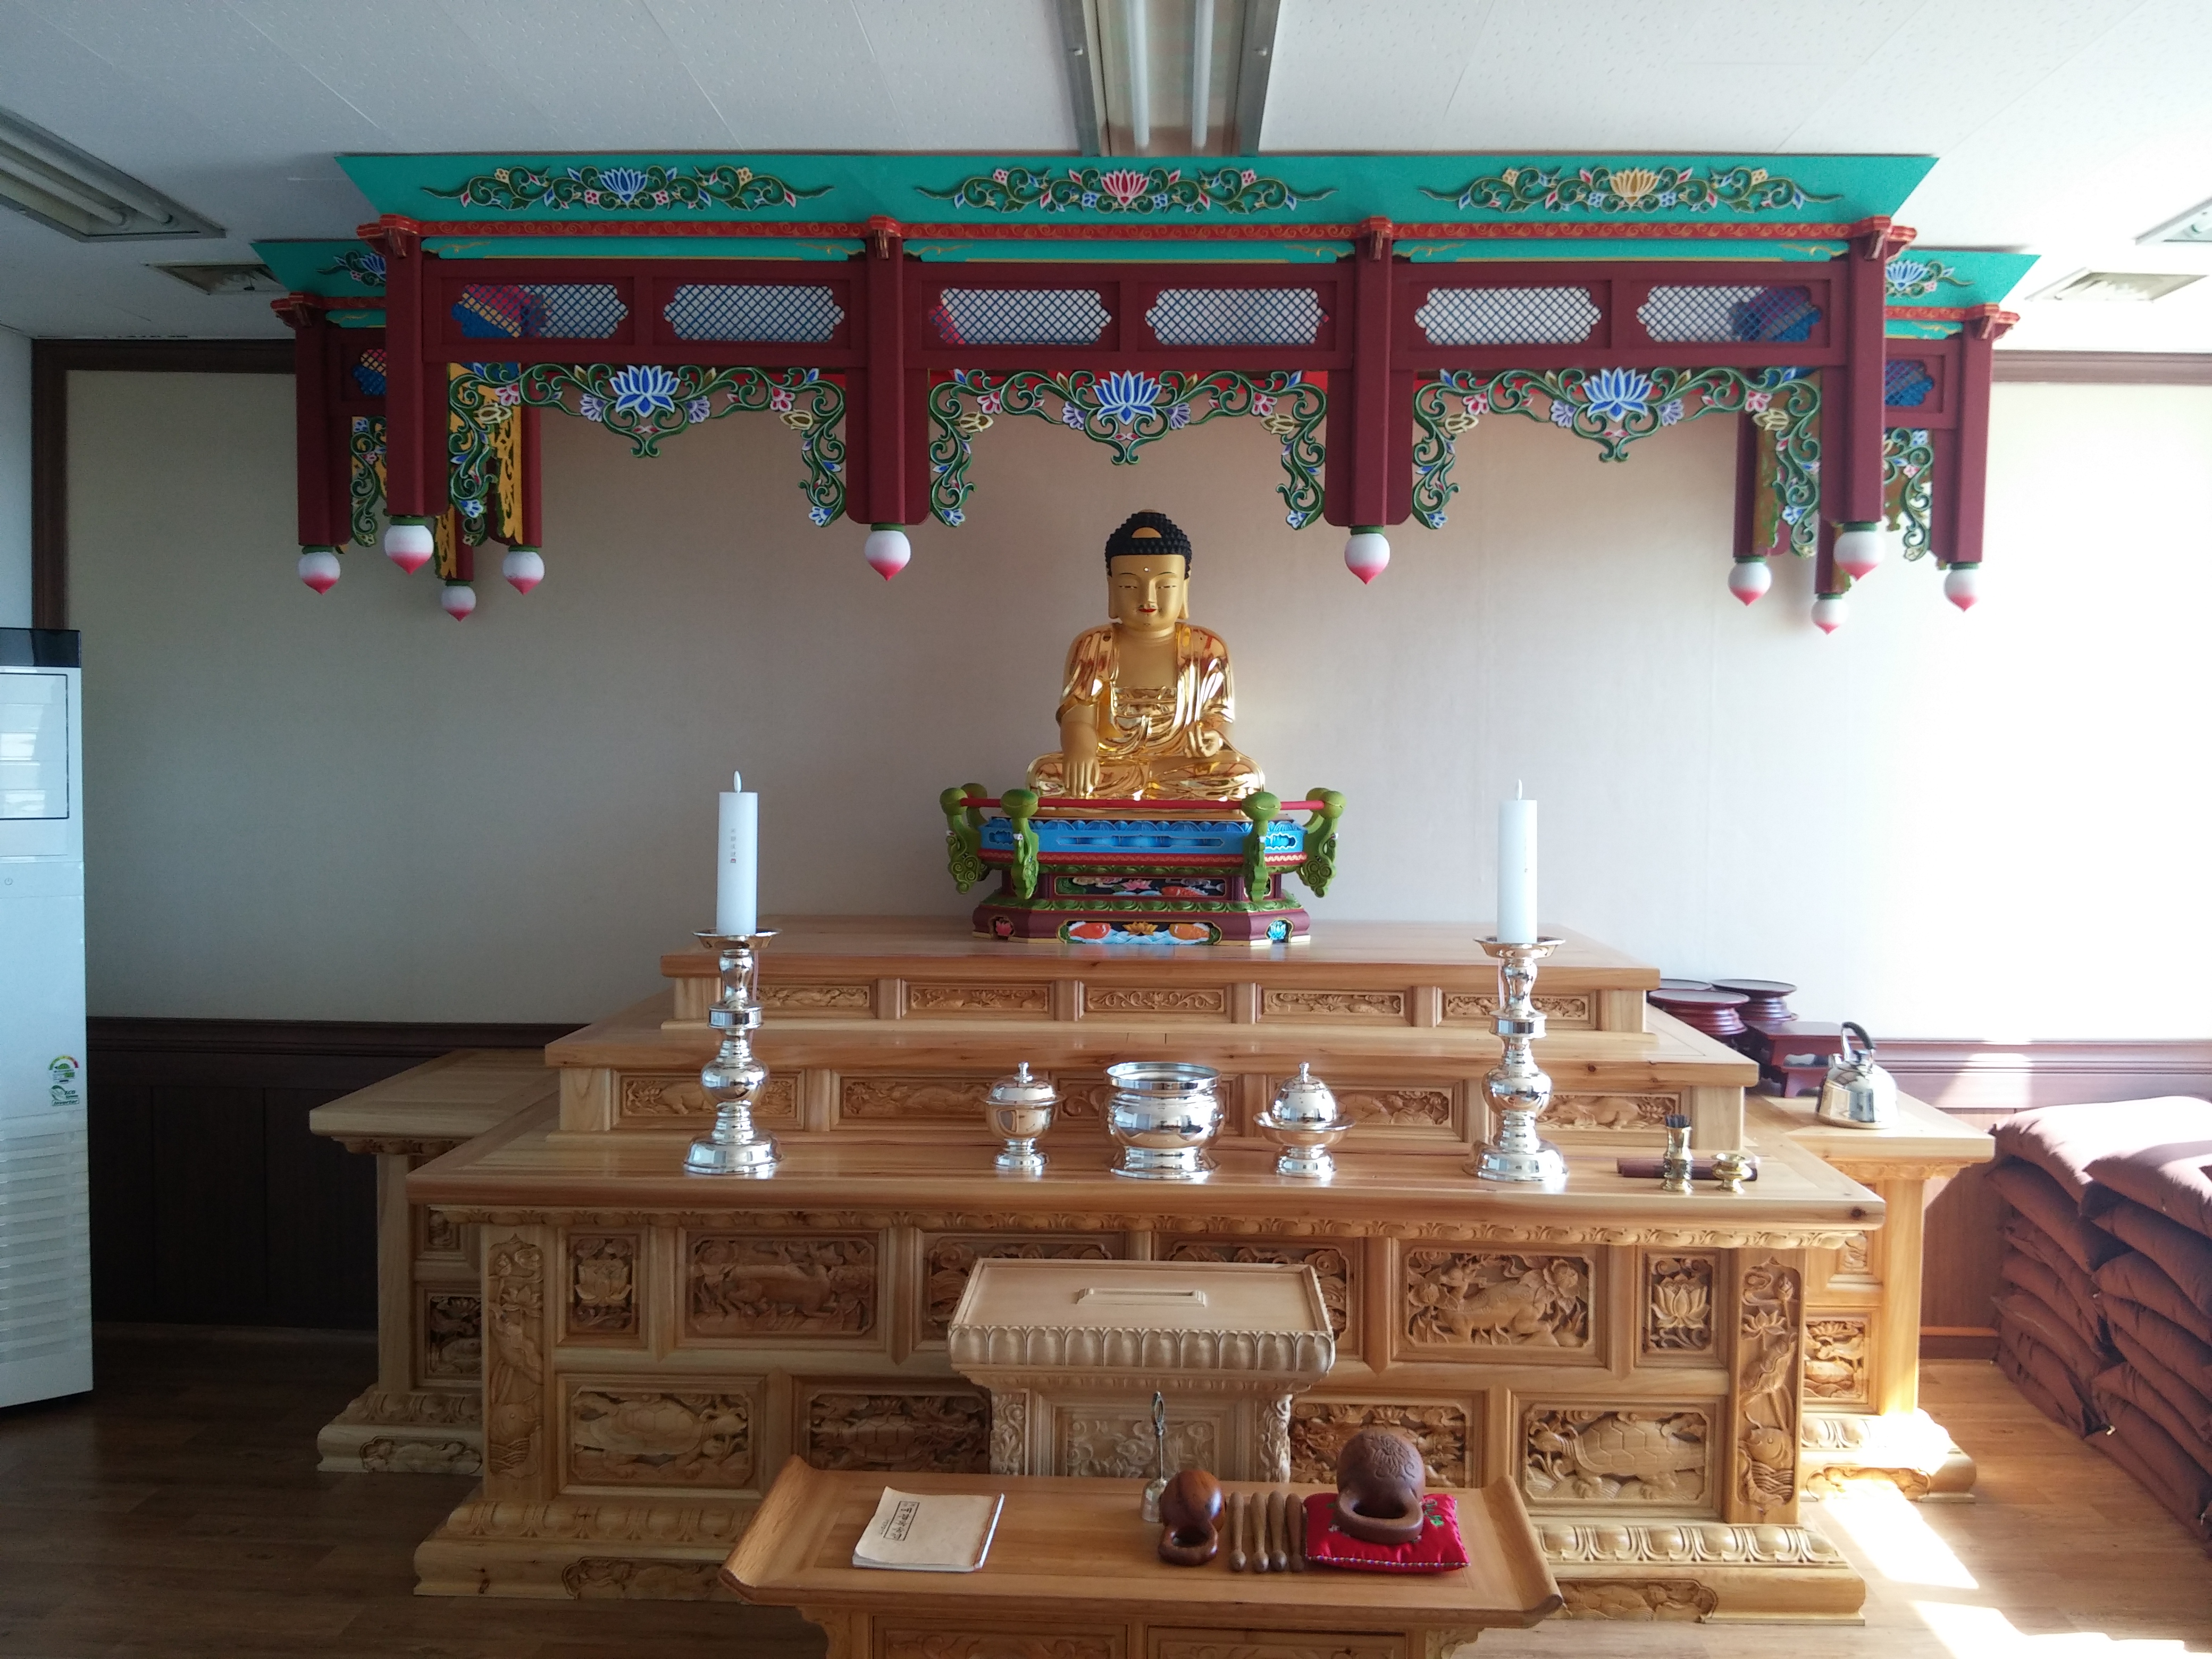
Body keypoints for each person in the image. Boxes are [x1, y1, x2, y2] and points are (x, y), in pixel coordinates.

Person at [1026, 511, 1263, 802]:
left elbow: (1217, 718)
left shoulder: (1207, 647)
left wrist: (1211, 740)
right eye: (1129, 586)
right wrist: (1081, 752)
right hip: (1111, 767)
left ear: (1185, 587)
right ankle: (1144, 794)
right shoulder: (1093, 645)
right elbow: (1078, 720)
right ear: (1112, 587)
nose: (1147, 598)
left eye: (1165, 586)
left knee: (1243, 776)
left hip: (1179, 768)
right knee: (1046, 775)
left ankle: (1137, 794)